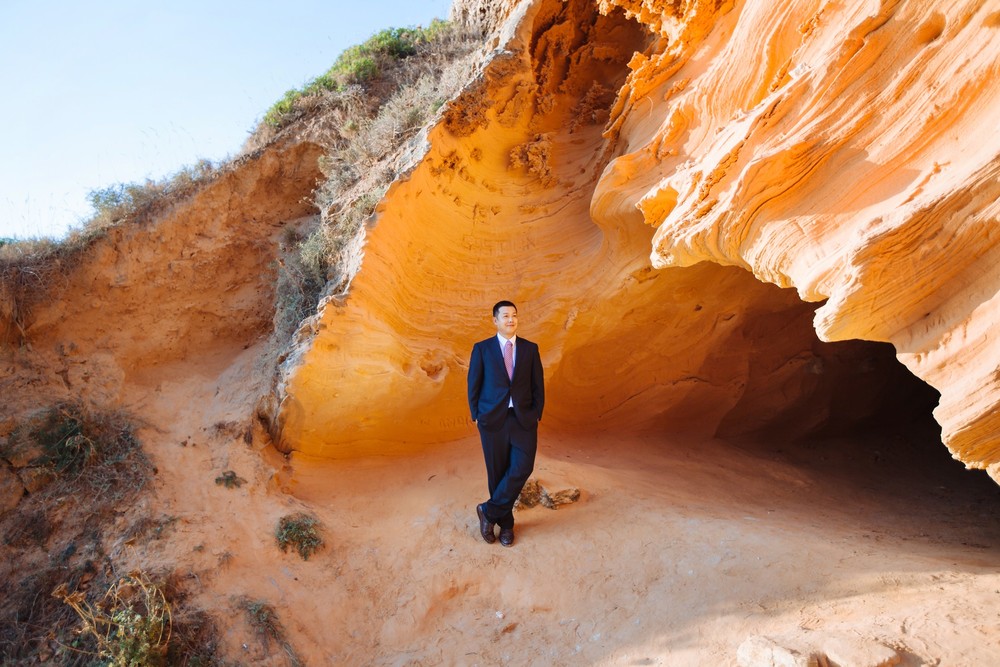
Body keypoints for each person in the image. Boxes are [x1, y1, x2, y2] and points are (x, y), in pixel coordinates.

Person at [467, 300, 545, 547]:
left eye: (514, 315)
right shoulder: (482, 349)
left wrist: (536, 413)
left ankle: (488, 511)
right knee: (497, 473)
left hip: (522, 419)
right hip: (493, 420)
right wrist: (477, 414)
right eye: (505, 316)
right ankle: (507, 526)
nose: (510, 320)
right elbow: (474, 384)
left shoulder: (530, 349)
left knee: (523, 466)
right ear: (495, 321)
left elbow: (538, 385)